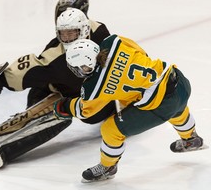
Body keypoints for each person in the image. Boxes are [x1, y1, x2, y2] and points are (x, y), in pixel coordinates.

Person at [0, 0, 112, 170]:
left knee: (63, 113)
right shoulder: (63, 48)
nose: (67, 37)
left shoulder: (97, 36)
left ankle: (2, 150)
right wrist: (0, 79)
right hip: (56, 90)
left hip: (95, 100)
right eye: (63, 32)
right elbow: (34, 68)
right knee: (51, 107)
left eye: (72, 32)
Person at [53, 37, 204, 182]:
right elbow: (140, 52)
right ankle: (191, 139)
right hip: (178, 80)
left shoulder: (94, 87)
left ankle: (107, 167)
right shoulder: (114, 41)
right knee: (176, 108)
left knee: (110, 129)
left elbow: (85, 110)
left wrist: (65, 106)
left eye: (78, 68)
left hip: (163, 104)